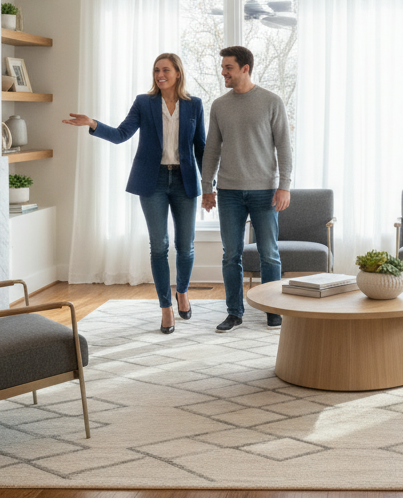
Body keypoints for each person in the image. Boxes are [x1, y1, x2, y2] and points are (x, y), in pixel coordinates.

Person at [63, 53, 205, 334]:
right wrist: (93, 123)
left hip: (184, 180)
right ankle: (166, 307)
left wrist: (211, 186)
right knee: (159, 245)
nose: (159, 74)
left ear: (178, 72)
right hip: (151, 182)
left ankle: (183, 292)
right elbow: (121, 134)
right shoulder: (144, 102)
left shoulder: (195, 105)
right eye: (155, 70)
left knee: (186, 246)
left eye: (165, 69)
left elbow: (201, 147)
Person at [201, 46, 293, 333]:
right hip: (228, 191)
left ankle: (271, 309)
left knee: (269, 253)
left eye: (228, 67)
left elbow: (284, 147)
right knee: (231, 254)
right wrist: (207, 187)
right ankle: (234, 312)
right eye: (223, 67)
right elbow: (212, 149)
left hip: (265, 191)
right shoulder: (219, 105)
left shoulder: (271, 101)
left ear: (245, 68)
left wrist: (284, 186)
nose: (223, 72)